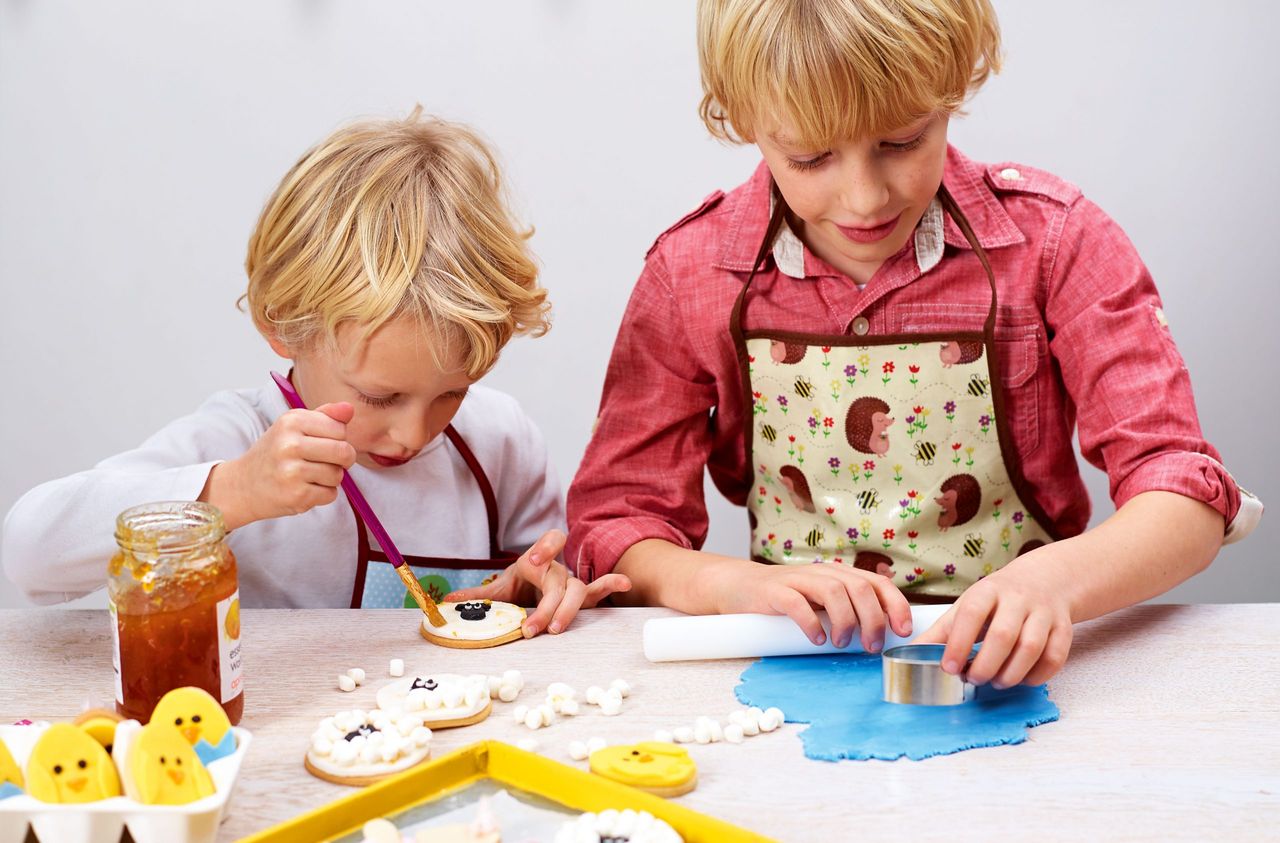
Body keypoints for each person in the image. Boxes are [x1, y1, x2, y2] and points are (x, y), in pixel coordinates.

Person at [566, 0, 1261, 687]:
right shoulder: (691, 273)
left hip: (1003, 678)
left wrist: (1054, 584)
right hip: (788, 680)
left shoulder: (1056, 245)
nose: (865, 198)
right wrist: (725, 584)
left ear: (953, 86)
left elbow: (1186, 500)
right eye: (810, 157)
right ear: (741, 117)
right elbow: (616, 524)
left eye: (901, 141)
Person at [4, 108, 628, 633]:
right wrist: (235, 491)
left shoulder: (500, 442)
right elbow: (30, 551)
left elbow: (544, 570)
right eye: (380, 397)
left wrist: (532, 585)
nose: (414, 434)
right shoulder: (238, 443)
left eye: (451, 394)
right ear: (282, 325)